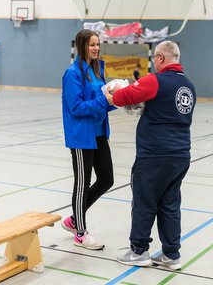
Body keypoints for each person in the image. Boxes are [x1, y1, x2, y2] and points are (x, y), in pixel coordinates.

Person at [105, 41, 196, 269]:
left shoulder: (155, 80)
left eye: (155, 59)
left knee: (144, 202)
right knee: (170, 204)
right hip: (180, 155)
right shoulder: (189, 86)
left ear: (161, 58)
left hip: (155, 155)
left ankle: (139, 251)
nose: (154, 63)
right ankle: (171, 254)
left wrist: (112, 91)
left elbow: (123, 97)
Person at [61, 29, 114, 250]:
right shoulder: (73, 74)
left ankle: (74, 219)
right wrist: (104, 101)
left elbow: (102, 100)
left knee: (106, 180)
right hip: (82, 137)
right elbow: (76, 107)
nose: (96, 48)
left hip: (99, 132)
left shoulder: (97, 71)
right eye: (92, 44)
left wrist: (118, 98)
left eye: (98, 44)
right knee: (82, 183)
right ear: (82, 46)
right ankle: (80, 233)